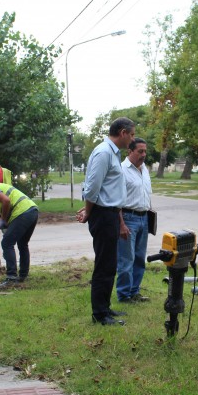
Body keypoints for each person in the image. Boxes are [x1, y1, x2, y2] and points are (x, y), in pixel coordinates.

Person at [76, 117, 136, 325]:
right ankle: (99, 314)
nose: (132, 138)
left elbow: (104, 188)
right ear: (122, 132)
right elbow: (92, 188)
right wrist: (89, 212)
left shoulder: (112, 153)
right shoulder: (103, 152)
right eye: (132, 134)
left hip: (108, 213)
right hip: (102, 215)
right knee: (104, 264)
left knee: (110, 264)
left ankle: (105, 308)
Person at [117, 137, 152, 303]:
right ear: (130, 151)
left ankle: (134, 291)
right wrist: (121, 224)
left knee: (139, 258)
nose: (144, 154)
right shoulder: (121, 170)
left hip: (144, 218)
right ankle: (124, 295)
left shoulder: (144, 169)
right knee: (126, 260)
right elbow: (116, 201)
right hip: (128, 218)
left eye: (145, 151)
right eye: (140, 151)